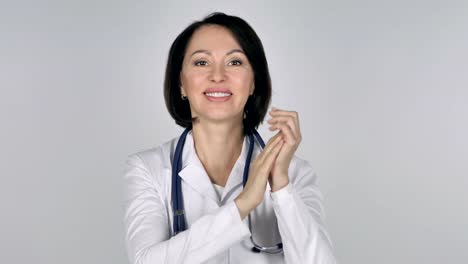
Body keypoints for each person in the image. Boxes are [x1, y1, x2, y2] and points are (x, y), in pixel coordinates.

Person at [123, 12, 337, 264]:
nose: (218, 75)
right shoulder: (148, 169)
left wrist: (280, 188)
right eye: (201, 62)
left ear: (253, 82)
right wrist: (243, 204)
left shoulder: (295, 173)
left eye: (235, 62)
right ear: (181, 83)